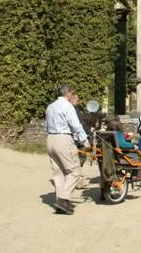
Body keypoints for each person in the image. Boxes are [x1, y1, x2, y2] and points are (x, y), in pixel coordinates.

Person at [43, 84, 88, 215]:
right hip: (63, 139)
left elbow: (45, 126)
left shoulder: (50, 106)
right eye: (71, 93)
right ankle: (64, 199)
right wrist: (84, 141)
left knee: (58, 172)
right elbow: (76, 125)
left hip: (50, 139)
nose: (72, 96)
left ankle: (60, 203)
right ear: (67, 93)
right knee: (74, 171)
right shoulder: (67, 106)